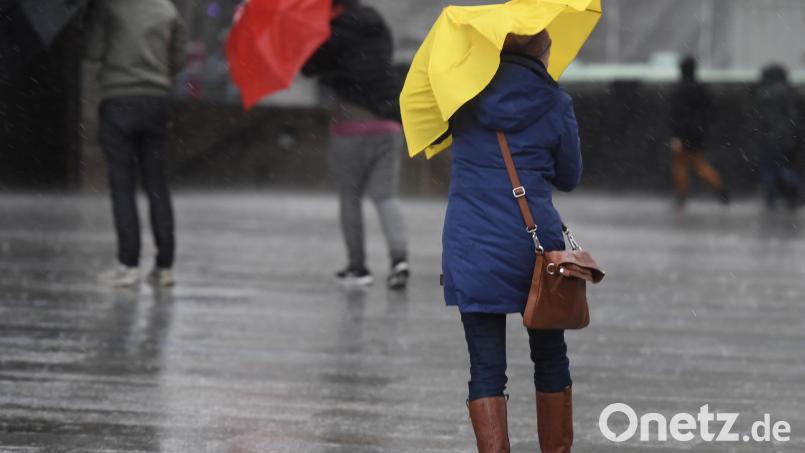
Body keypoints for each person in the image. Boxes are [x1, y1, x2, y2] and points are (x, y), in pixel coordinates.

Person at [442, 30, 579, 452]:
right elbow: (569, 176)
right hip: (533, 244)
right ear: (541, 51)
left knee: (485, 367)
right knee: (550, 356)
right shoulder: (555, 102)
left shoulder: (461, 99)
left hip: (472, 244)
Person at [302, 0, 410, 290]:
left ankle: (358, 267)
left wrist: (316, 41)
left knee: (350, 198)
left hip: (350, 122)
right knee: (386, 196)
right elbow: (375, 64)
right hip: (388, 122)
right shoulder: (377, 22)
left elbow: (309, 67)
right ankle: (399, 260)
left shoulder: (333, 31)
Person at [85, 0, 187, 287]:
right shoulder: (167, 9)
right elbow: (178, 60)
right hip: (156, 101)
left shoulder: (110, 7)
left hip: (119, 99)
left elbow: (92, 51)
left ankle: (129, 263)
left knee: (122, 184)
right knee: (157, 184)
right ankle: (164, 266)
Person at [669, 56, 730, 207]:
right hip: (699, 132)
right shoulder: (701, 88)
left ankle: (681, 196)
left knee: (680, 164)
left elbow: (676, 114)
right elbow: (711, 110)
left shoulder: (679, 89)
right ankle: (719, 187)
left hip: (683, 133)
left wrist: (676, 135)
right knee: (699, 164)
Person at [756, 64, 801, 210]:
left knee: (769, 170)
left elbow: (762, 118)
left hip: (769, 137)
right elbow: (793, 115)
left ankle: (771, 199)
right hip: (786, 137)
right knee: (787, 167)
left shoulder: (764, 92)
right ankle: (794, 195)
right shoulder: (788, 91)